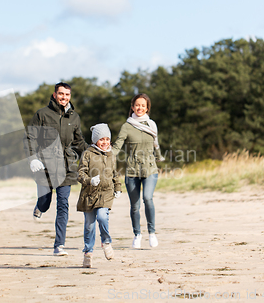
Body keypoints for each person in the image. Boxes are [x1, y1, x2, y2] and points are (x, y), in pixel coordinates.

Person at [24, 82, 88, 256]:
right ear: (54, 95)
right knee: (45, 201)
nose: (64, 97)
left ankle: (59, 245)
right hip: (44, 165)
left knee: (63, 204)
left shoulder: (74, 117)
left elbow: (79, 141)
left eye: (67, 95)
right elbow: (29, 137)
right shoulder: (42, 114)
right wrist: (32, 158)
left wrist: (93, 152)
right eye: (61, 94)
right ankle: (40, 207)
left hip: (66, 166)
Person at [112, 93, 165, 249]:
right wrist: (105, 156)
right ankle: (137, 235)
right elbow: (117, 146)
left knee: (148, 198)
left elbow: (156, 144)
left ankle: (152, 233)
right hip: (132, 171)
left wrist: (159, 157)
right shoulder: (126, 126)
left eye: (143, 105)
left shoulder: (152, 125)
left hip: (150, 169)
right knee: (134, 205)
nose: (140, 107)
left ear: (147, 108)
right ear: (132, 107)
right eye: (137, 105)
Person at [77, 124, 122, 268]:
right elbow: (80, 174)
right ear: (95, 140)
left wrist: (118, 188)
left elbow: (115, 173)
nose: (105, 142)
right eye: (101, 139)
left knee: (102, 217)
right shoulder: (88, 154)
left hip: (106, 193)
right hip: (89, 194)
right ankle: (88, 253)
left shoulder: (111, 155)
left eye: (107, 139)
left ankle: (106, 242)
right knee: (89, 226)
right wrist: (90, 181)